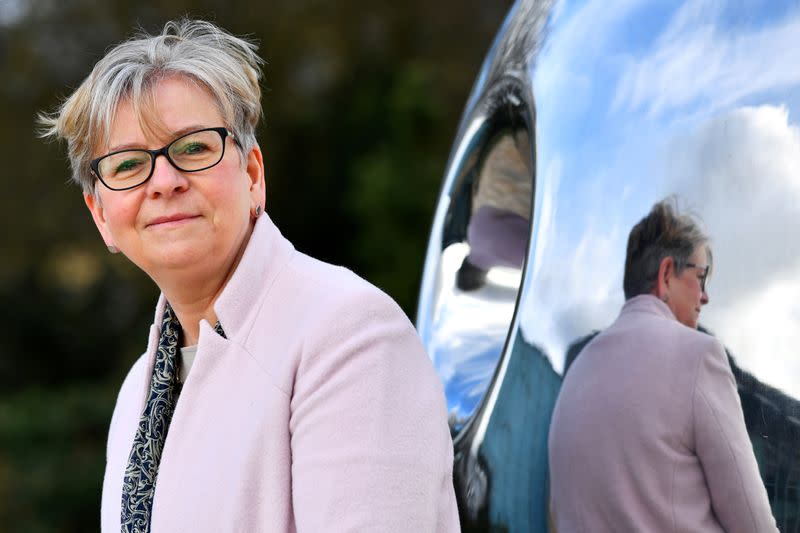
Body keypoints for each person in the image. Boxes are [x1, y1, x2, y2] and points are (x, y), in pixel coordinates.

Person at [40, 19, 459, 532]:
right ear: (100, 214)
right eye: (128, 165)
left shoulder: (350, 335)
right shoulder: (137, 392)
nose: (164, 182)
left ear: (253, 174)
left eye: (193, 148)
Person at [547, 199, 777, 532]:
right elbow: (753, 523)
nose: (705, 296)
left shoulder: (575, 374)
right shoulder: (699, 356)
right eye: (701, 276)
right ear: (666, 274)